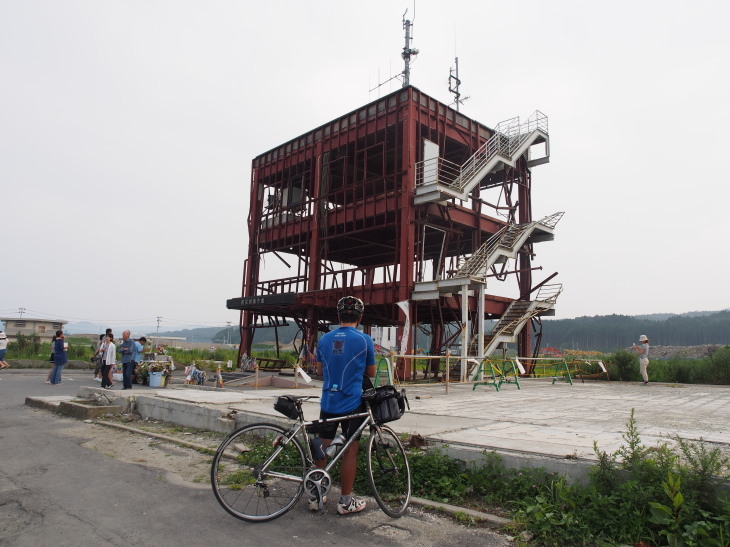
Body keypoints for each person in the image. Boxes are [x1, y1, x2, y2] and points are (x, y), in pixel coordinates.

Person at [314, 296, 376, 515]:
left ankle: (317, 495)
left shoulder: (324, 339)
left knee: (323, 446)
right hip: (353, 402)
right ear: (360, 317)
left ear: (338, 316)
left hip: (328, 400)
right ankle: (345, 501)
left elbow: (320, 371)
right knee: (350, 449)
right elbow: (371, 373)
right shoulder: (364, 340)